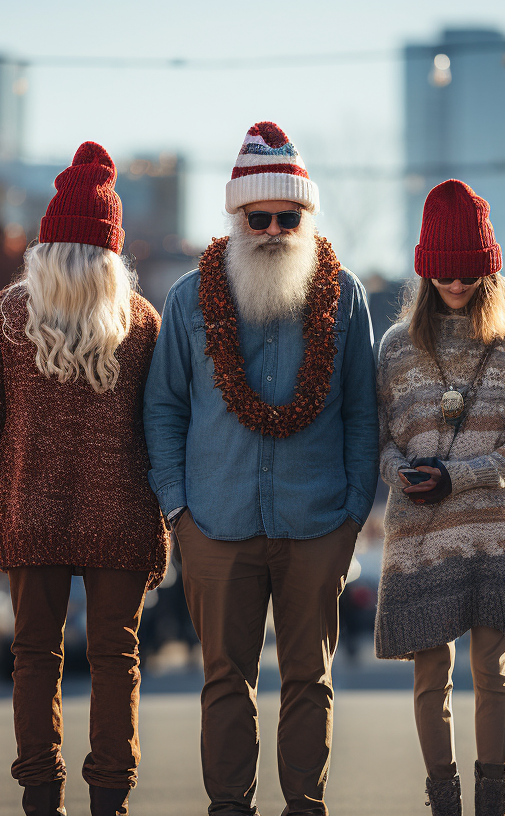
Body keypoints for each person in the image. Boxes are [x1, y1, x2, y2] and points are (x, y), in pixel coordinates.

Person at [143, 121, 378, 816]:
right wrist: (178, 512)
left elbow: (364, 413)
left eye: (289, 216)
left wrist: (354, 514)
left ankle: (305, 805)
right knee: (225, 681)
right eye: (259, 216)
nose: (274, 229)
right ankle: (228, 808)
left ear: (307, 216)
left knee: (310, 679)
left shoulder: (346, 299)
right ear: (236, 217)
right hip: (214, 523)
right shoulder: (189, 299)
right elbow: (163, 410)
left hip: (319, 524)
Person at [0, 142, 168, 816]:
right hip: (122, 516)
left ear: (44, 248)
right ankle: (110, 799)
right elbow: (162, 427)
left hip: (31, 513)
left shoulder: (4, 315)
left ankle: (41, 798)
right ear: (114, 255)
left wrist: (11, 489)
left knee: (34, 655)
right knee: (116, 657)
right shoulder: (140, 323)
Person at [373, 179, 505, 816]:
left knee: (492, 673)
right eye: (444, 271)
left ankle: (491, 803)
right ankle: (443, 800)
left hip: (494, 530)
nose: (456, 282)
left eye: (469, 271)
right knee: (429, 676)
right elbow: (380, 442)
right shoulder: (395, 349)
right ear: (425, 269)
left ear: (487, 268)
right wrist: (404, 474)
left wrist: (460, 476)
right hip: (420, 533)